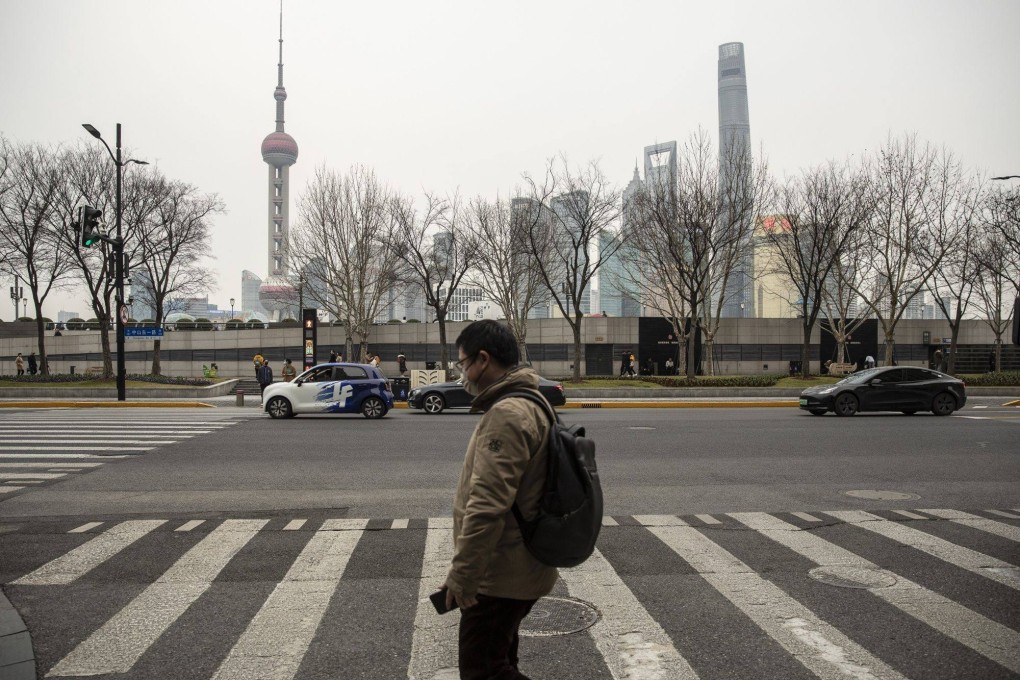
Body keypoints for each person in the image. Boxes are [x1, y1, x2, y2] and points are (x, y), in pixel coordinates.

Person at [442, 319, 556, 680]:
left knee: (484, 672)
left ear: (483, 359)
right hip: (519, 565)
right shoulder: (530, 401)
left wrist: (464, 576)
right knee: (501, 661)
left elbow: (487, 506)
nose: (463, 374)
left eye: (463, 364)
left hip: (499, 575)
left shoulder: (507, 414)